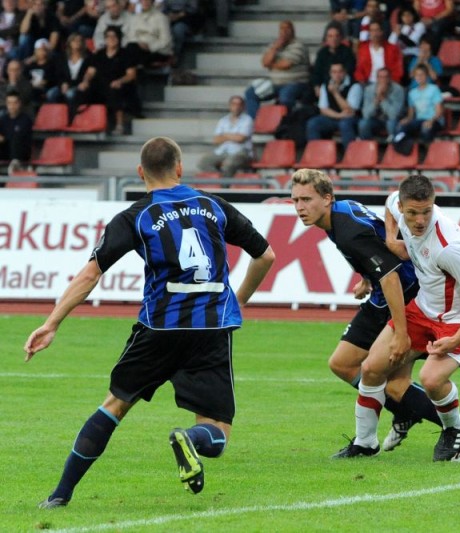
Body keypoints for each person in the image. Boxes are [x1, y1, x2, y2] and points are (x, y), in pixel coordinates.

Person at [25, 136, 276, 508]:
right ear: (179, 168)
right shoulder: (214, 206)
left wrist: (52, 323)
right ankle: (192, 439)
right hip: (211, 328)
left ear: (140, 172)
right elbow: (266, 256)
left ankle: (60, 495)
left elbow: (90, 275)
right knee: (217, 429)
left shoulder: (137, 215)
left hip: (159, 326)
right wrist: (236, 300)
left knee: (115, 405)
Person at [333, 174, 460, 461]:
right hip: (422, 308)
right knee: (371, 368)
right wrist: (391, 240)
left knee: (430, 379)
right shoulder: (398, 204)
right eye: (412, 213)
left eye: (427, 211)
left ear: (434, 205)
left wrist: (457, 337)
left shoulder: (450, 245)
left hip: (458, 318)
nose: (420, 220)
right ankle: (366, 443)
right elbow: (389, 201)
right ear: (404, 207)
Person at [290, 169, 442, 454]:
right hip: (382, 293)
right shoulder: (342, 211)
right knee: (343, 364)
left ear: (326, 198)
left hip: (403, 294)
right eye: (295, 200)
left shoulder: (347, 230)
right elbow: (375, 239)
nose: (300, 207)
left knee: (395, 385)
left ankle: (459, 429)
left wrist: (401, 333)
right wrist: (365, 276)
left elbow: (391, 275)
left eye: (306, 199)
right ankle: (401, 415)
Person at [77, 26, 139, 135]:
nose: (111, 39)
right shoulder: (99, 54)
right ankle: (86, 123)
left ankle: (120, 125)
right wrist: (85, 81)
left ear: (119, 38)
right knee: (84, 90)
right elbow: (90, 72)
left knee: (115, 91)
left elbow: (131, 75)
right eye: (108, 36)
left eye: (114, 36)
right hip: (101, 85)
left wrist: (120, 81)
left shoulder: (126, 54)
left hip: (120, 85)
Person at [244, 20, 311, 118]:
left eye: (287, 28)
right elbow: (264, 62)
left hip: (295, 82)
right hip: (275, 83)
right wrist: (275, 48)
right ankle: (254, 123)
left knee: (285, 98)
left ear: (293, 31)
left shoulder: (298, 45)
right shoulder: (275, 45)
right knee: (251, 92)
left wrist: (270, 64)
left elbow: (285, 64)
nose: (284, 31)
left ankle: (284, 125)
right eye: (282, 29)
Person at [305, 61, 361, 148]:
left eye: (340, 71)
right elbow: (323, 109)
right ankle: (317, 154)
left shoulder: (355, 86)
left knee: (345, 124)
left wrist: (335, 93)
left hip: (352, 118)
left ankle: (350, 154)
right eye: (334, 72)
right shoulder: (325, 85)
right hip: (335, 117)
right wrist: (338, 116)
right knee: (313, 123)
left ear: (345, 72)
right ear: (330, 73)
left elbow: (350, 110)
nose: (337, 75)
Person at [197, 94, 254, 178]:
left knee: (228, 164)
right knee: (203, 162)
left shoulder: (247, 120)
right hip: (223, 151)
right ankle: (219, 180)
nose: (236, 107)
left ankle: (225, 188)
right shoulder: (223, 120)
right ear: (230, 106)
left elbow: (241, 138)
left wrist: (225, 135)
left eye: (239, 104)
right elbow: (216, 140)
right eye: (234, 104)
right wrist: (233, 136)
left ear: (243, 106)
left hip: (241, 152)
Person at [392, 64, 444, 147]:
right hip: (419, 121)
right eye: (417, 75)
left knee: (425, 129)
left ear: (426, 76)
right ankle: (407, 146)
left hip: (434, 121)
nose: (419, 77)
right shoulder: (412, 93)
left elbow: (439, 111)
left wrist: (431, 120)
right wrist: (406, 119)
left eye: (421, 75)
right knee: (401, 127)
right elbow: (411, 115)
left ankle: (429, 147)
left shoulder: (434, 89)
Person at [47, 32, 90, 122]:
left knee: (70, 94)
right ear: (70, 43)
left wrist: (85, 83)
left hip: (79, 86)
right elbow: (58, 74)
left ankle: (70, 119)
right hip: (65, 84)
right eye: (74, 41)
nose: (77, 43)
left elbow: (89, 73)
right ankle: (55, 118)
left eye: (79, 41)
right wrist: (62, 84)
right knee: (50, 94)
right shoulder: (62, 57)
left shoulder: (88, 58)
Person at [358, 66, 404, 140]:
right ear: (377, 78)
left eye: (385, 77)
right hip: (375, 120)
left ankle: (393, 148)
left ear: (390, 78)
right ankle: (367, 146)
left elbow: (394, 115)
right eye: (381, 77)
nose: (383, 80)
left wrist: (382, 98)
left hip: (391, 120)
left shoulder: (398, 90)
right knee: (363, 123)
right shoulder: (369, 90)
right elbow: (366, 114)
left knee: (391, 123)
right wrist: (376, 100)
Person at [311, 24, 356, 98]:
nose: (334, 39)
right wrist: (317, 86)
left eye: (336, 36)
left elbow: (349, 71)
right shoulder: (322, 53)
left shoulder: (347, 52)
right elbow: (317, 72)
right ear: (326, 38)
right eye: (330, 36)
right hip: (324, 84)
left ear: (341, 38)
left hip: (342, 85)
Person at [125, 0, 173, 68]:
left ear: (152, 2)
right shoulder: (135, 18)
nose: (145, 2)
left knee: (131, 54)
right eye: (143, 0)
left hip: (156, 51)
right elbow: (131, 36)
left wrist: (150, 47)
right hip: (137, 48)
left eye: (148, 0)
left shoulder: (161, 18)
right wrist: (139, 44)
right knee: (130, 49)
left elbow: (166, 40)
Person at [0, 91, 32, 171]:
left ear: (19, 104)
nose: (12, 106)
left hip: (21, 152)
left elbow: (20, 137)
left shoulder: (26, 119)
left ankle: (15, 166)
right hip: (6, 150)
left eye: (15, 103)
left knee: (16, 139)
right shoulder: (3, 119)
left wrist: (4, 138)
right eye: (9, 103)